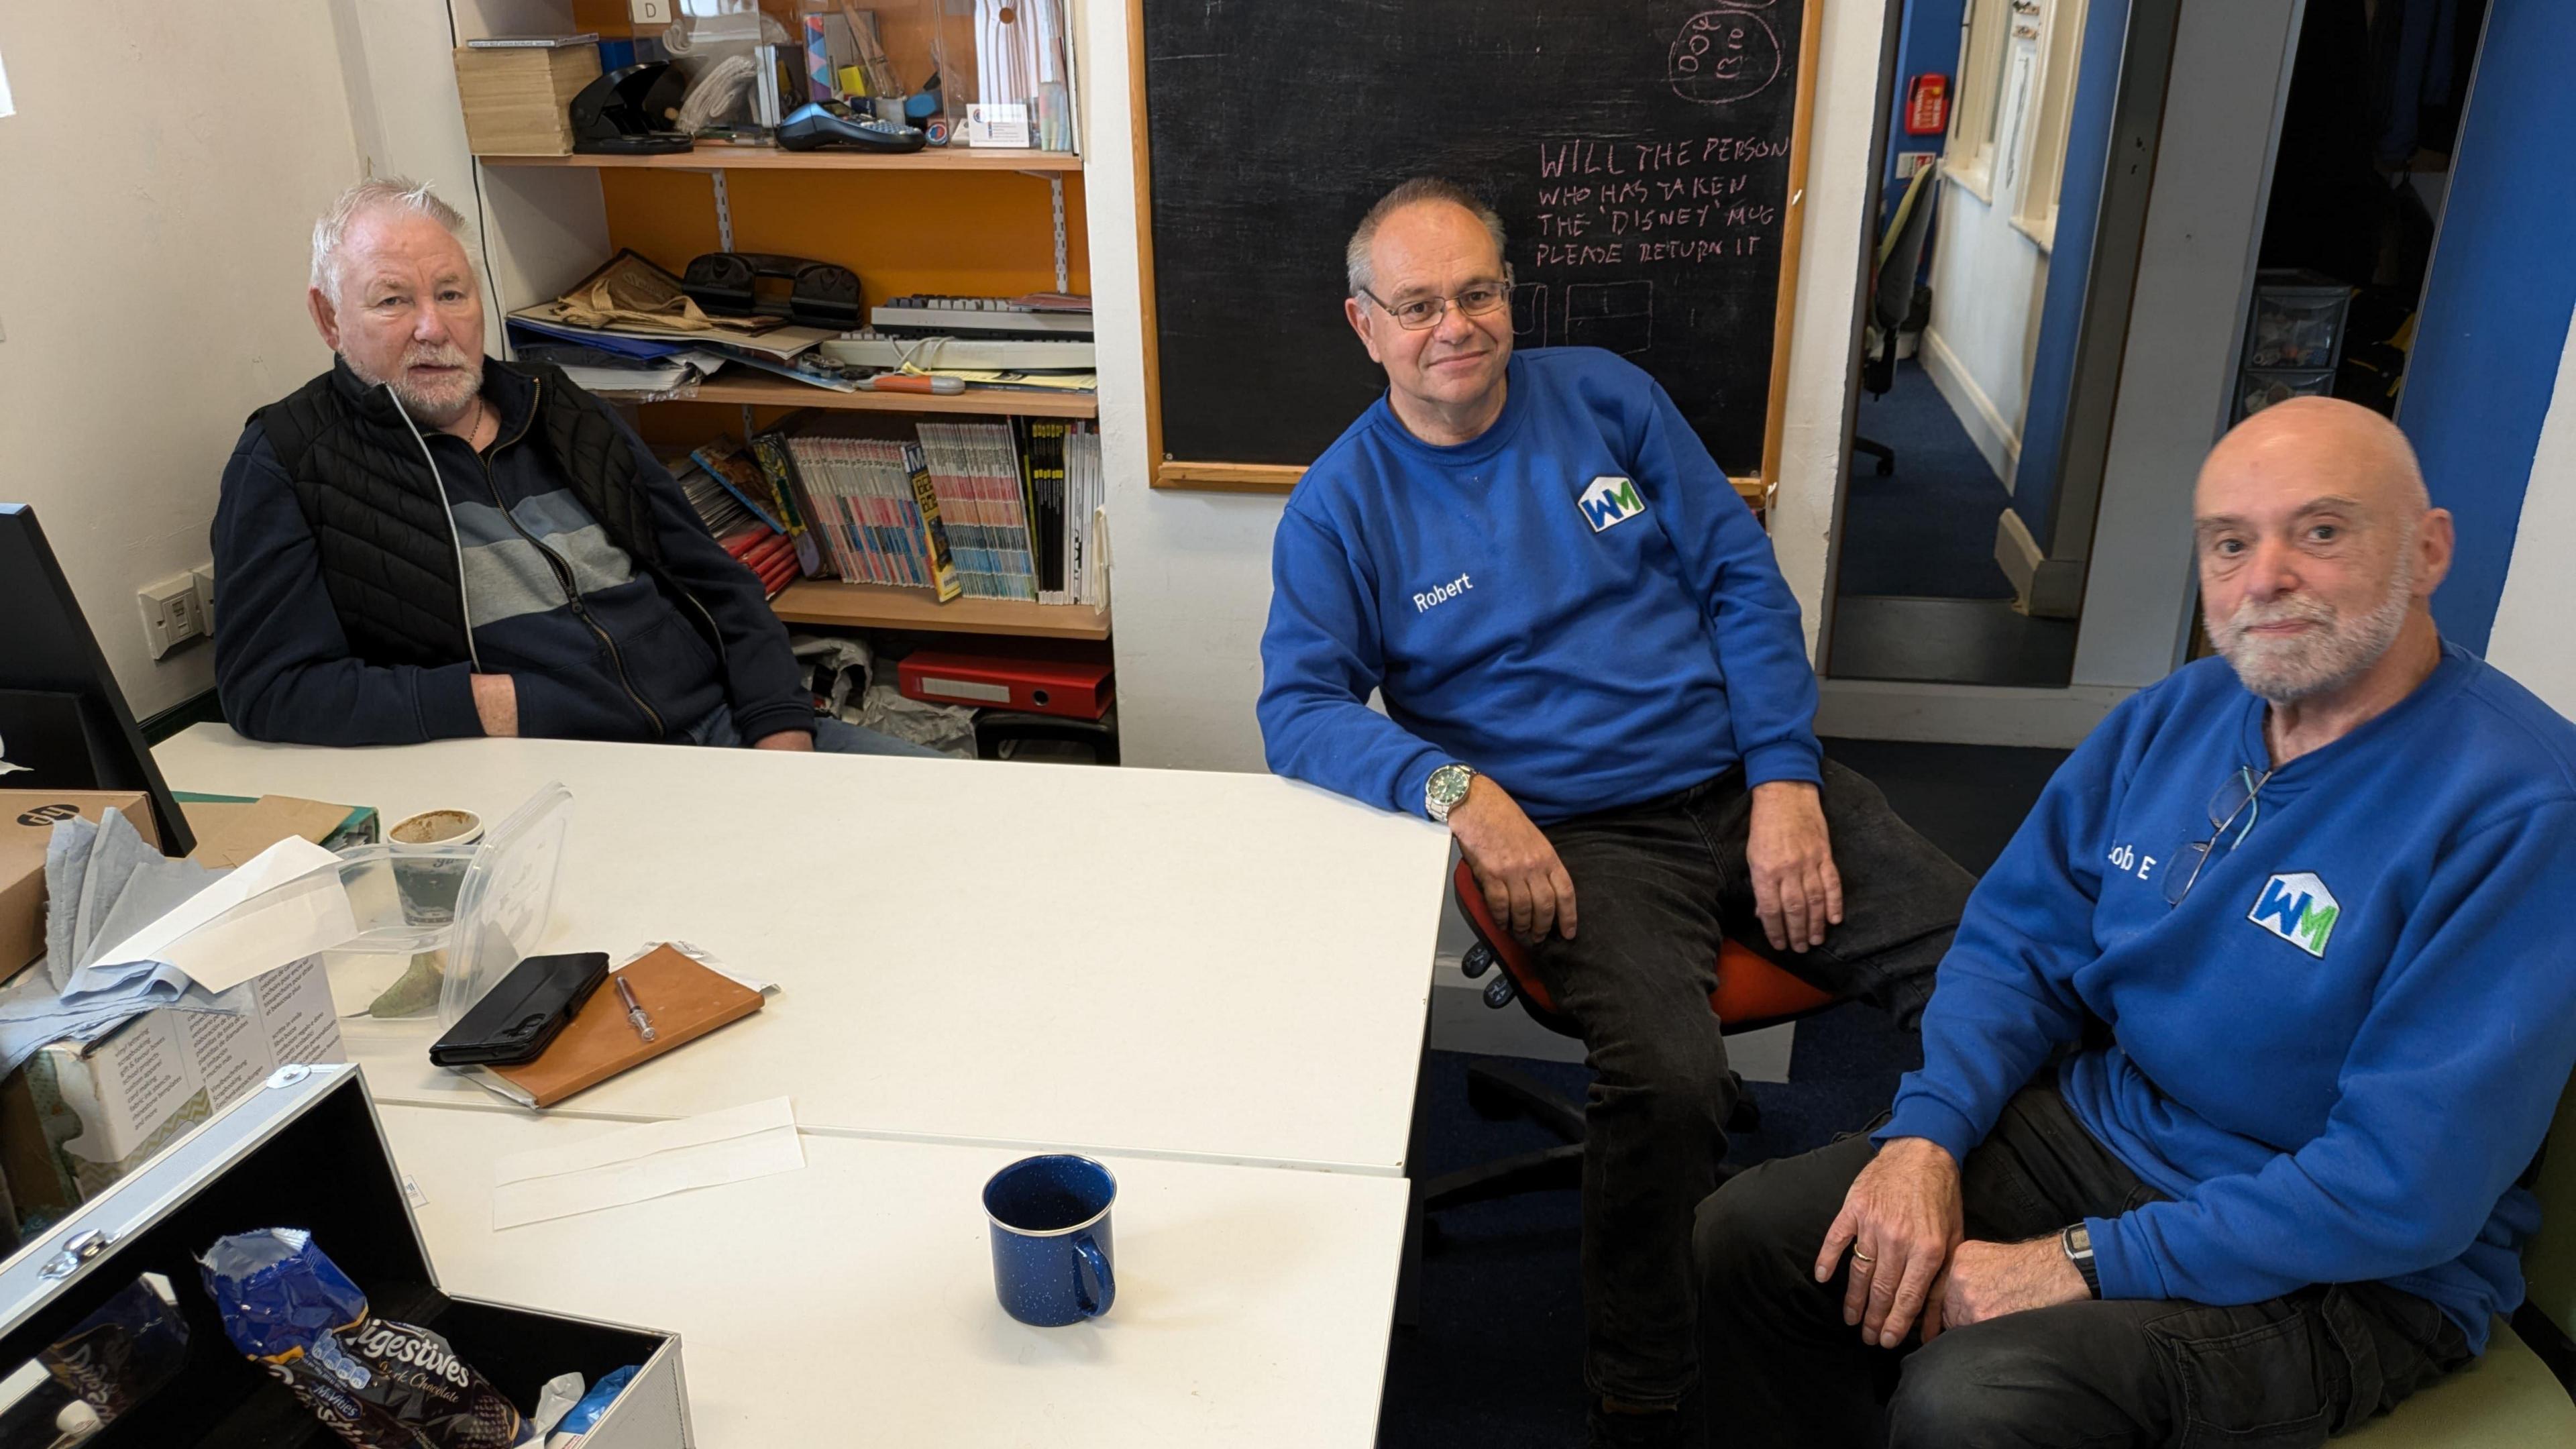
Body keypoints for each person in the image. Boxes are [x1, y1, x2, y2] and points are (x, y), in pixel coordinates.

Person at [1693, 396, 2576, 1448]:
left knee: (1976, 1401)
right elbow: (2015, 947)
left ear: (2428, 552)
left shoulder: (2519, 810)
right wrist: (1925, 1136)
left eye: (2323, 531)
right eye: (2230, 543)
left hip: (2350, 1272)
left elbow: (2403, 1187)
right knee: (1753, 1237)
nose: (2267, 578)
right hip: (2104, 1132)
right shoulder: (2178, 716)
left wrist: (2077, 1263)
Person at [1256, 176, 1976, 1446]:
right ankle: (1642, 1385)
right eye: (1418, 305)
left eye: (1478, 291)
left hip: (1743, 775)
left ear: (1509, 293)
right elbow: (1297, 710)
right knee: (1669, 1076)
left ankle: (1954, 1268)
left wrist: (1788, 778)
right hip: (1581, 832)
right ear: (1364, 324)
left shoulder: (1607, 397)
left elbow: (1744, 589)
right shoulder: (1342, 505)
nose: (1456, 326)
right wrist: (1458, 789)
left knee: (1996, 972)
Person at [212, 178, 935, 757]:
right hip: (570, 774)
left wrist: (780, 733)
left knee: (983, 830)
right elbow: (269, 688)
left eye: (452, 294)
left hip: (728, 733)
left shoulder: (551, 403)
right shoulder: (289, 458)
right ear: (329, 319)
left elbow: (717, 583)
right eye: (393, 301)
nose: (433, 328)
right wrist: (492, 703)